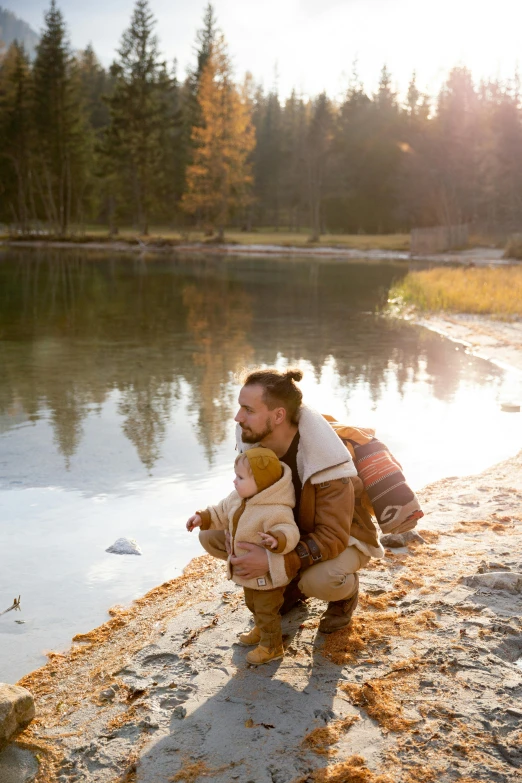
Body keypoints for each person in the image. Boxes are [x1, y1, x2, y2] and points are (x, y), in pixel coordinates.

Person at [198, 368, 385, 635]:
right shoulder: (255, 447)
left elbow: (332, 536)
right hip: (284, 531)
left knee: (321, 581)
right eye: (240, 407)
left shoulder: (328, 460)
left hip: (342, 539)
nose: (238, 417)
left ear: (278, 415)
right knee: (212, 535)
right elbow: (243, 499)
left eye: (248, 410)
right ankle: (288, 587)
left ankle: (345, 595)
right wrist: (232, 527)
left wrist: (275, 563)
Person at [186, 447, 300, 665]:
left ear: (261, 482)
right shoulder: (238, 498)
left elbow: (289, 530)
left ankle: (272, 646)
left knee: (267, 609)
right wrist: (202, 517)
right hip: (249, 573)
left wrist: (277, 540)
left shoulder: (275, 508)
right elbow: (220, 511)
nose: (234, 481)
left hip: (266, 575)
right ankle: (260, 629)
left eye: (240, 477)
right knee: (252, 603)